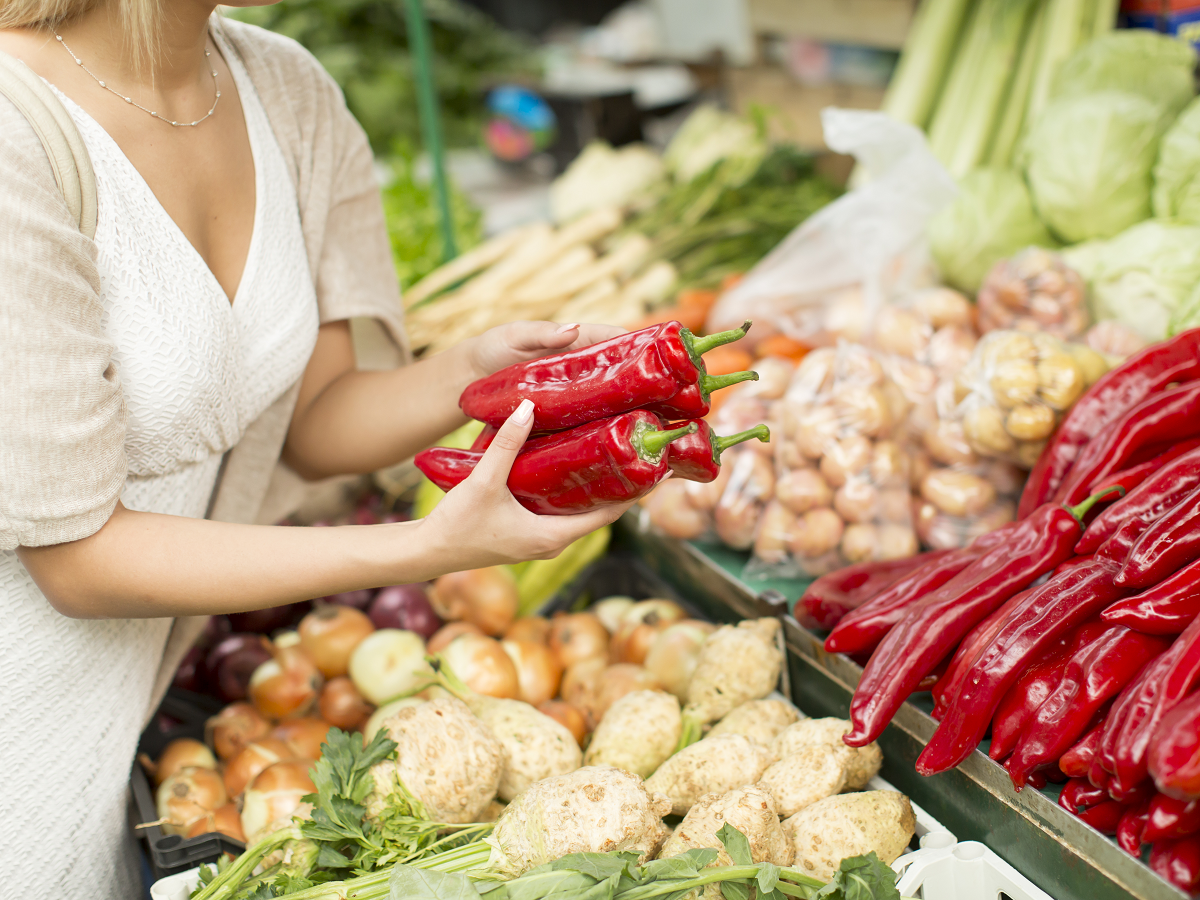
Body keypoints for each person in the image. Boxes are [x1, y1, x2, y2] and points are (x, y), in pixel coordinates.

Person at [0, 1, 632, 895]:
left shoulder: (284, 90)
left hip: (127, 713)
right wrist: (425, 548)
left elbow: (319, 419)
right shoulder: (15, 129)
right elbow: (76, 554)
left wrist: (484, 369)